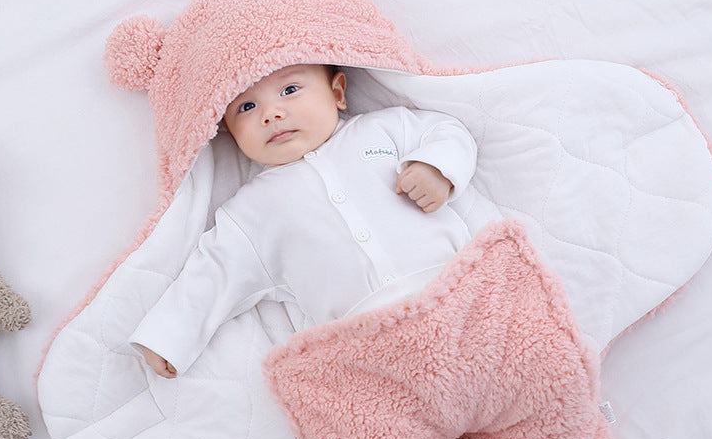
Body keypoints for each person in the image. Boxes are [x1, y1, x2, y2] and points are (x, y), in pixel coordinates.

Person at [132, 63, 478, 379]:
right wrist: (168, 335)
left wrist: (436, 168)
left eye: (290, 90)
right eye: (246, 107)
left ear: (337, 93)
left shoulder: (384, 129)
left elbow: (447, 131)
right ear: (229, 131)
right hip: (363, 345)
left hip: (463, 294)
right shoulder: (251, 211)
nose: (271, 114)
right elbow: (213, 272)